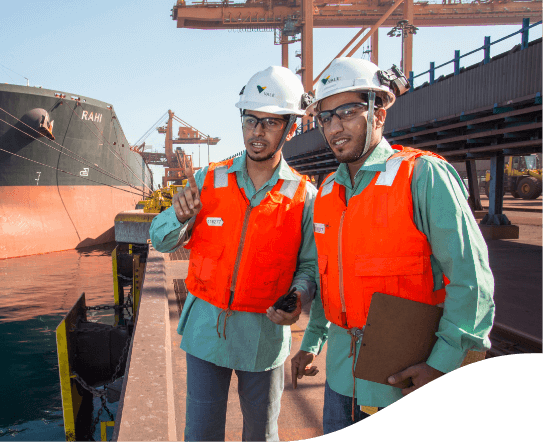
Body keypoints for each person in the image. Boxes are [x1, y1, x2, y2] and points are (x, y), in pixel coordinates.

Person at [291, 58, 495, 432]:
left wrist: (443, 364)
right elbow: (330, 281)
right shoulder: (326, 194)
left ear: (378, 113)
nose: (335, 126)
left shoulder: (422, 175)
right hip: (341, 380)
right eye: (325, 117)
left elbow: (472, 277)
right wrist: (312, 341)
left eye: (348, 112)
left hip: (409, 377)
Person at [149, 66, 318, 442]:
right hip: (207, 331)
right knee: (202, 433)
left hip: (264, 337)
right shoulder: (209, 179)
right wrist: (177, 216)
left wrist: (299, 296)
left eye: (270, 122)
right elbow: (160, 240)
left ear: (290, 128)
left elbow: (309, 266)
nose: (257, 132)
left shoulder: (304, 197)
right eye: (250, 120)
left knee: (260, 433)